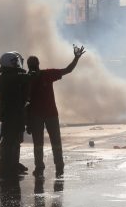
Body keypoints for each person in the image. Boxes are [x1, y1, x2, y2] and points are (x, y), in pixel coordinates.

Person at [26, 45, 85, 179]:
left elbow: (68, 70)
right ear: (36, 65)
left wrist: (76, 58)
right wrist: (76, 58)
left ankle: (43, 167)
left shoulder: (37, 76)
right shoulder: (42, 76)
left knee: (41, 143)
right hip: (47, 114)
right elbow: (68, 70)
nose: (33, 67)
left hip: (42, 115)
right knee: (52, 142)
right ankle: (56, 167)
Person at [0, 51, 32, 180]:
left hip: (14, 113)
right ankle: (6, 168)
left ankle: (13, 164)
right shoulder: (7, 77)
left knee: (15, 140)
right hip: (11, 114)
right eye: (15, 61)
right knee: (9, 141)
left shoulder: (10, 75)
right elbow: (25, 78)